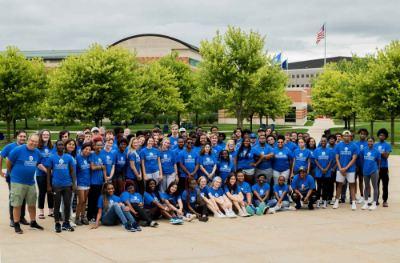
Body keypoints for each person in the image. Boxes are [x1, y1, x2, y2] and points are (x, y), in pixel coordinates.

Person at [7, 134, 44, 234]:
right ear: (28, 140)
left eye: (36, 142)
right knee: (17, 204)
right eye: (32, 141)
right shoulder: (18, 150)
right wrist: (11, 174)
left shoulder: (37, 152)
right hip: (17, 181)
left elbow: (38, 163)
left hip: (31, 182)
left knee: (32, 204)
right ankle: (16, 224)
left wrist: (47, 170)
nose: (34, 143)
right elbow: (9, 162)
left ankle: (33, 222)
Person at [46, 140, 76, 232]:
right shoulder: (52, 157)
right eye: (59, 145)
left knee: (67, 204)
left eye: (62, 145)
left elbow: (72, 171)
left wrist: (73, 184)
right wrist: (49, 185)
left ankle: (66, 223)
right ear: (56, 146)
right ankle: (57, 223)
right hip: (56, 185)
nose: (61, 146)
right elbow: (48, 172)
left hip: (67, 184)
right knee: (57, 204)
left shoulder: (68, 157)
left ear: (64, 147)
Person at [1, 130, 29, 227]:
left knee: (23, 197)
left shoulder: (27, 147)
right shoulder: (10, 146)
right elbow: (1, 157)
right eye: (20, 136)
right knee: (14, 197)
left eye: (24, 136)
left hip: (24, 178)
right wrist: (0, 171)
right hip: (12, 176)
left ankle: (21, 217)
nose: (22, 138)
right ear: (16, 137)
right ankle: (13, 219)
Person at [333, 130, 358, 210]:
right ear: (343, 137)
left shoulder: (354, 146)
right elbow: (337, 158)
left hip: (350, 169)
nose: (346, 137)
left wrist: (346, 168)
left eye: (348, 136)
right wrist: (340, 168)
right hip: (340, 169)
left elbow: (354, 158)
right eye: (345, 136)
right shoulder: (338, 145)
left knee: (352, 185)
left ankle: (353, 202)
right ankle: (336, 201)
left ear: (350, 136)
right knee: (339, 185)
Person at [36, 129, 54, 219]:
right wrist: (47, 171)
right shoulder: (37, 148)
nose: (46, 136)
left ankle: (51, 211)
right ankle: (41, 211)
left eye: (47, 134)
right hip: (41, 174)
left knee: (50, 192)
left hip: (51, 174)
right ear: (41, 135)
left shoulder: (52, 147)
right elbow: (37, 163)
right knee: (42, 192)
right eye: (44, 134)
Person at [87, 139, 107, 221]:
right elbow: (92, 167)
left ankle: (96, 215)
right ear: (94, 146)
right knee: (92, 199)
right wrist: (100, 167)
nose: (99, 146)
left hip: (100, 181)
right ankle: (89, 215)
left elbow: (105, 168)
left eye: (101, 145)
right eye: (97, 145)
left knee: (98, 199)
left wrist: (105, 179)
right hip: (93, 182)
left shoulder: (103, 154)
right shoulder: (92, 155)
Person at [313, 137, 334, 208]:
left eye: (325, 141)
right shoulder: (317, 150)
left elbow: (330, 160)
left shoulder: (330, 150)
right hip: (319, 172)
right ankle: (318, 201)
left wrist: (327, 168)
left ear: (327, 142)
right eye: (322, 141)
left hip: (327, 172)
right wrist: (321, 168)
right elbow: (316, 160)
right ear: (320, 142)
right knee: (319, 187)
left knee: (325, 187)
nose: (323, 142)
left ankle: (325, 201)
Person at [361, 137, 381, 210]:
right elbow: (362, 159)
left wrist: (377, 170)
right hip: (365, 170)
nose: (370, 143)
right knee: (366, 187)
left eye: (371, 141)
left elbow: (379, 161)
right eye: (369, 141)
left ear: (374, 142)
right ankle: (366, 202)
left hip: (373, 170)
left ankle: (374, 203)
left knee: (375, 186)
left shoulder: (376, 151)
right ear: (367, 142)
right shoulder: (364, 150)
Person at [75, 142, 92, 225]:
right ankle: (77, 217)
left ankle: (83, 217)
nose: (88, 151)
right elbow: (74, 172)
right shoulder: (78, 158)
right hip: (80, 183)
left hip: (87, 182)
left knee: (85, 201)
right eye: (86, 149)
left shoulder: (88, 158)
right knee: (80, 201)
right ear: (82, 149)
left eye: (89, 149)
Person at [375, 128, 391, 207]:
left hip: (384, 167)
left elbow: (386, 156)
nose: (381, 136)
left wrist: (379, 152)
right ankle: (376, 200)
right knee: (376, 184)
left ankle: (385, 201)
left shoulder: (387, 145)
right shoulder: (375, 145)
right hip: (376, 168)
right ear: (378, 136)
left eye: (383, 135)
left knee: (385, 185)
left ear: (385, 137)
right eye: (380, 135)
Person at [355, 129, 369, 204]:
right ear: (359, 134)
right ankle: (361, 196)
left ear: (366, 135)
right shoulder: (356, 143)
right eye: (361, 133)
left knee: (367, 181)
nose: (362, 135)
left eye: (364, 134)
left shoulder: (368, 143)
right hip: (357, 165)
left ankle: (368, 196)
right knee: (359, 180)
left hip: (366, 165)